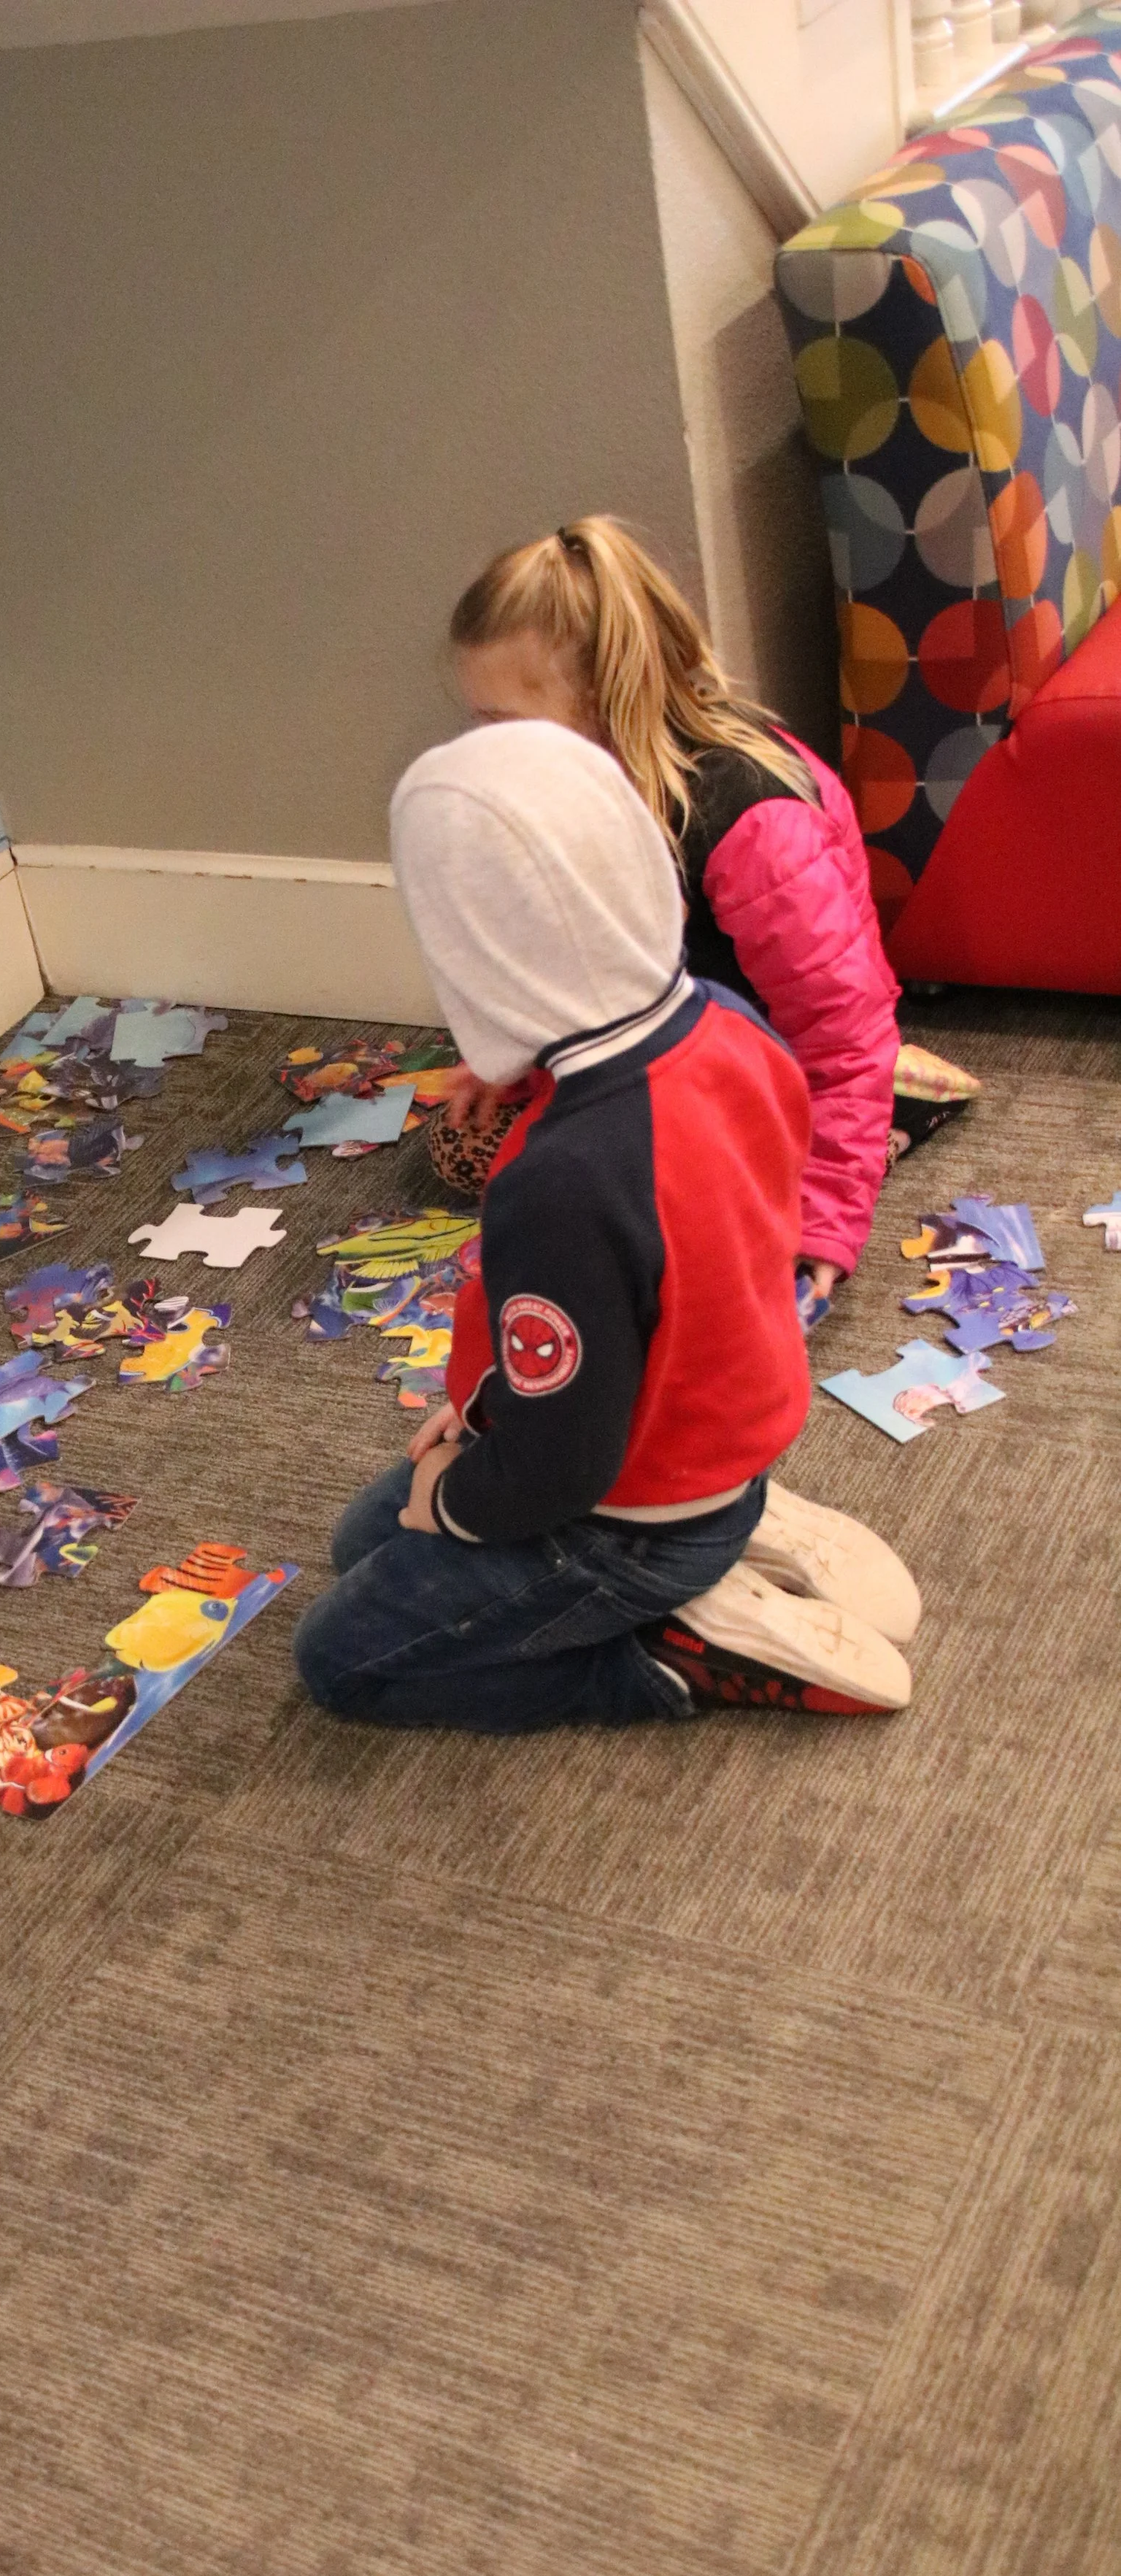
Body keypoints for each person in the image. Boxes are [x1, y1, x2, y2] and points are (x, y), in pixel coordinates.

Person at [293, 721, 920, 1733]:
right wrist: (478, 1419)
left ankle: (664, 1660)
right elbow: (664, 1268)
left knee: (339, 1662)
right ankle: (728, 1522)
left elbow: (561, 1464)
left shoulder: (562, 1181)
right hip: (714, 1420)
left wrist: (459, 1492)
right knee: (359, 1544)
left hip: (628, 1511)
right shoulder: (731, 1021)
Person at [428, 518, 978, 1318]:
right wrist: (503, 1056)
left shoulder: (752, 819)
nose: (488, 753)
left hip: (778, 1044)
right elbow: (566, 954)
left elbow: (838, 1028)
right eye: (479, 725)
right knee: (467, 1150)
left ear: (611, 695)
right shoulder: (556, 793)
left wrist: (821, 1227)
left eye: (505, 728)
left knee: (691, 1244)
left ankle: (900, 1099)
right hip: (670, 1024)